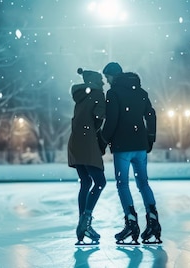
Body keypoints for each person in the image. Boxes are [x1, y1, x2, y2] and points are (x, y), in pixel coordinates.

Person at [101, 62, 162, 245]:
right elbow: (151, 114)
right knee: (143, 183)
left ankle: (131, 223)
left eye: (107, 78)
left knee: (123, 185)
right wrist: (150, 137)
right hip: (140, 145)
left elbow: (112, 120)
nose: (107, 81)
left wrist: (102, 141)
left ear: (113, 76)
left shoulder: (113, 93)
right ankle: (153, 222)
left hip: (122, 147)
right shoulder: (141, 92)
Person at [67, 67, 108, 245]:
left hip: (75, 141)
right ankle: (86, 218)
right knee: (100, 182)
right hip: (88, 140)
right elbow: (99, 116)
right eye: (101, 80)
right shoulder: (98, 94)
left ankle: (82, 225)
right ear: (96, 81)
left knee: (86, 182)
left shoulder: (80, 95)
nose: (103, 83)